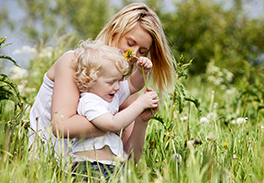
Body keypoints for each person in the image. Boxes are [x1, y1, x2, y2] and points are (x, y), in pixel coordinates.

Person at [28, 2, 174, 165]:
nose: (133, 55)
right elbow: (61, 127)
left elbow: (128, 160)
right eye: (130, 43)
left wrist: (141, 120)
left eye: (142, 51)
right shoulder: (73, 63)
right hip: (45, 165)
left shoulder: (126, 90)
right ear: (114, 34)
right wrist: (117, 122)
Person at [69, 39, 158, 180]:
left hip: (113, 167)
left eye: (119, 80)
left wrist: (142, 71)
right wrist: (140, 104)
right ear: (88, 81)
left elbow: (134, 85)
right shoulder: (89, 101)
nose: (117, 87)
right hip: (90, 167)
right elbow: (113, 124)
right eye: (111, 82)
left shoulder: (111, 94)